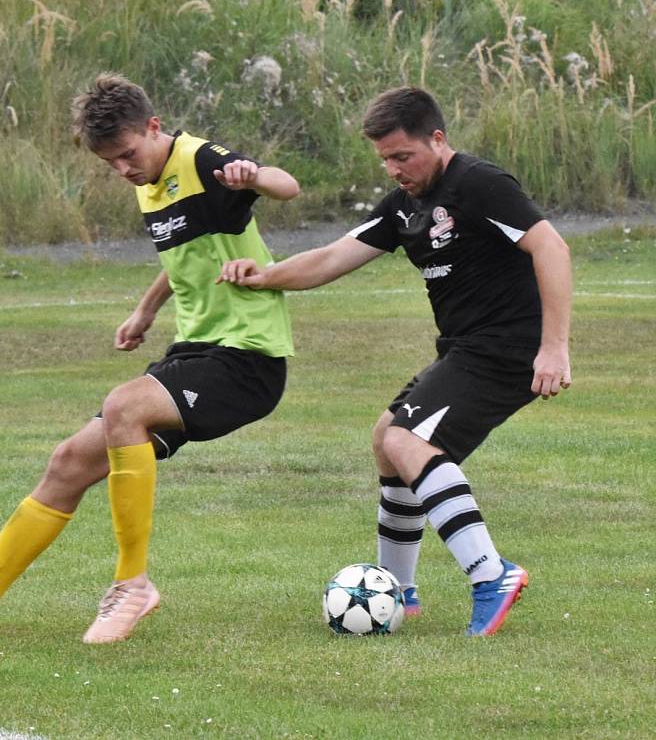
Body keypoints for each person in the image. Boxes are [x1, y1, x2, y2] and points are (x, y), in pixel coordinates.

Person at [0, 74, 299, 644]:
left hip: (247, 357)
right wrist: (146, 308)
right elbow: (187, 253)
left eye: (128, 154)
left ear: (154, 127)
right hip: (197, 351)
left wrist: (253, 175)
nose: (124, 169)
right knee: (69, 460)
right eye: (110, 163)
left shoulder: (200, 159)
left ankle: (133, 584)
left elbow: (288, 185)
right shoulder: (150, 183)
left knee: (124, 406)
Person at [218, 86, 572, 636]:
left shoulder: (479, 184)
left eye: (402, 156)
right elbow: (335, 255)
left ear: (437, 138)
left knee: (408, 441)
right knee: (387, 437)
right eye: (384, 159)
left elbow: (551, 247)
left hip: (508, 347)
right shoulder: (405, 205)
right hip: (465, 347)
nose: (393, 169)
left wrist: (554, 347)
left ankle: (490, 574)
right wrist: (265, 275)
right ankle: (398, 590)